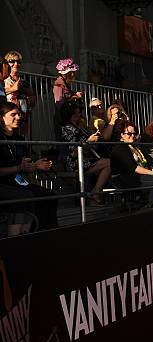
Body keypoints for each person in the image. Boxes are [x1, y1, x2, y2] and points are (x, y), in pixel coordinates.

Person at [0, 102, 57, 232]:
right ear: (1, 117)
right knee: (23, 196)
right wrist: (20, 168)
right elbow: (18, 167)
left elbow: (25, 165)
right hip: (3, 183)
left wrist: (36, 165)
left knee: (49, 195)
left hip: (16, 182)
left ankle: (42, 234)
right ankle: (16, 239)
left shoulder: (19, 138)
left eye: (19, 114)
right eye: (13, 114)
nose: (18, 117)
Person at [60, 102, 111, 205]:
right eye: (76, 113)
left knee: (109, 162)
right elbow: (73, 152)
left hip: (86, 158)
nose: (79, 115)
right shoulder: (66, 129)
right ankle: (95, 193)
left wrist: (94, 138)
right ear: (70, 114)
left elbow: (87, 145)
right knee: (108, 163)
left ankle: (94, 194)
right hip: (75, 161)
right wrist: (89, 141)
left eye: (79, 112)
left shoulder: (79, 127)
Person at [110, 122, 153, 207]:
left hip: (139, 176)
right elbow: (133, 168)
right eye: (129, 133)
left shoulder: (137, 147)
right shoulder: (120, 148)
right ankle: (151, 207)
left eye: (134, 133)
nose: (132, 136)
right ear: (122, 134)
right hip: (124, 177)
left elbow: (152, 163)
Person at [4, 51, 35, 137]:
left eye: (18, 61)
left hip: (23, 114)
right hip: (9, 115)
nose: (16, 64)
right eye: (12, 61)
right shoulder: (3, 78)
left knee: (21, 138)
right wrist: (12, 89)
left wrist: (30, 98)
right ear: (6, 63)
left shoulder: (24, 81)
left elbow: (32, 97)